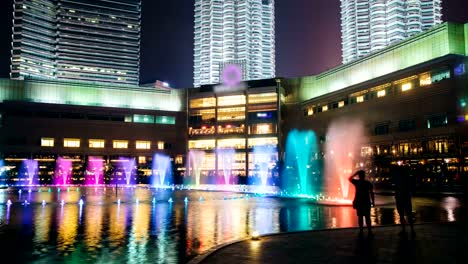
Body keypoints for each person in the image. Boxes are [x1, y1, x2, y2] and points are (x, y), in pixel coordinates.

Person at [349, 170, 375, 236]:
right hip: (366, 202)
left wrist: (355, 173)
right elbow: (372, 193)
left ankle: (361, 231)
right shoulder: (368, 183)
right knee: (367, 217)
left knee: (360, 217)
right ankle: (369, 231)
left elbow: (349, 178)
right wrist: (373, 202)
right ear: (364, 175)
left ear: (359, 175)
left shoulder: (357, 182)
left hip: (359, 202)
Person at [393, 165, 415, 237]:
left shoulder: (398, 179)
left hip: (400, 198)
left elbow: (396, 187)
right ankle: (412, 230)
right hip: (406, 197)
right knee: (409, 214)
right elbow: (411, 187)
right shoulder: (408, 178)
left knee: (401, 215)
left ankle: (404, 230)